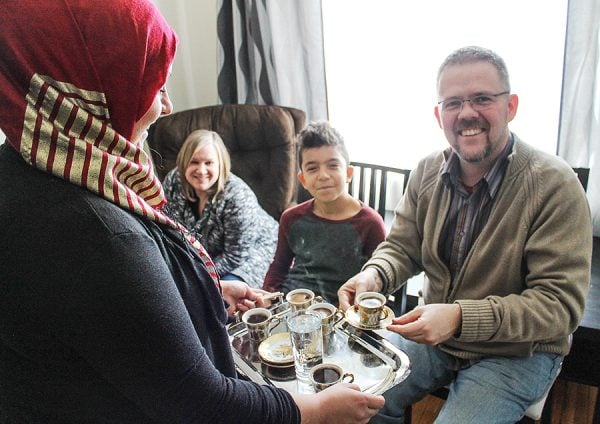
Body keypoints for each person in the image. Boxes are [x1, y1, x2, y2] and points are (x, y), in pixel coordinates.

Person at [0, 1, 384, 423]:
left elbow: (111, 318)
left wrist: (204, 292)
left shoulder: (25, 169)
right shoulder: (100, 234)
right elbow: (204, 405)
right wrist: (320, 409)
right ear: (99, 84)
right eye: (154, 83)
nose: (166, 106)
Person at [338, 46, 593, 423]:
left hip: (518, 353)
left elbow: (559, 307)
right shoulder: (426, 171)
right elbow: (403, 247)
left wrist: (458, 318)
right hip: (435, 334)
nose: (467, 113)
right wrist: (375, 274)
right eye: (454, 102)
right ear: (439, 115)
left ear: (511, 106)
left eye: (482, 99)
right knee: (350, 402)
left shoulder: (555, 185)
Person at [263, 121, 386, 303]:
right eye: (312, 168)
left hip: (342, 312)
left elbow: (377, 282)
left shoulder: (370, 223)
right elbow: (278, 268)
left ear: (349, 173)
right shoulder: (291, 218)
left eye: (333, 165)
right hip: (293, 305)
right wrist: (266, 298)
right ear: (303, 179)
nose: (323, 175)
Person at [162, 129, 278, 288]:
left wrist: (195, 274)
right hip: (205, 256)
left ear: (221, 164)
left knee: (220, 299)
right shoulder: (173, 181)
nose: (201, 171)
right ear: (184, 162)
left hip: (249, 254)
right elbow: (168, 229)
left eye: (208, 163)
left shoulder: (237, 196)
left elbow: (235, 256)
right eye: (194, 162)